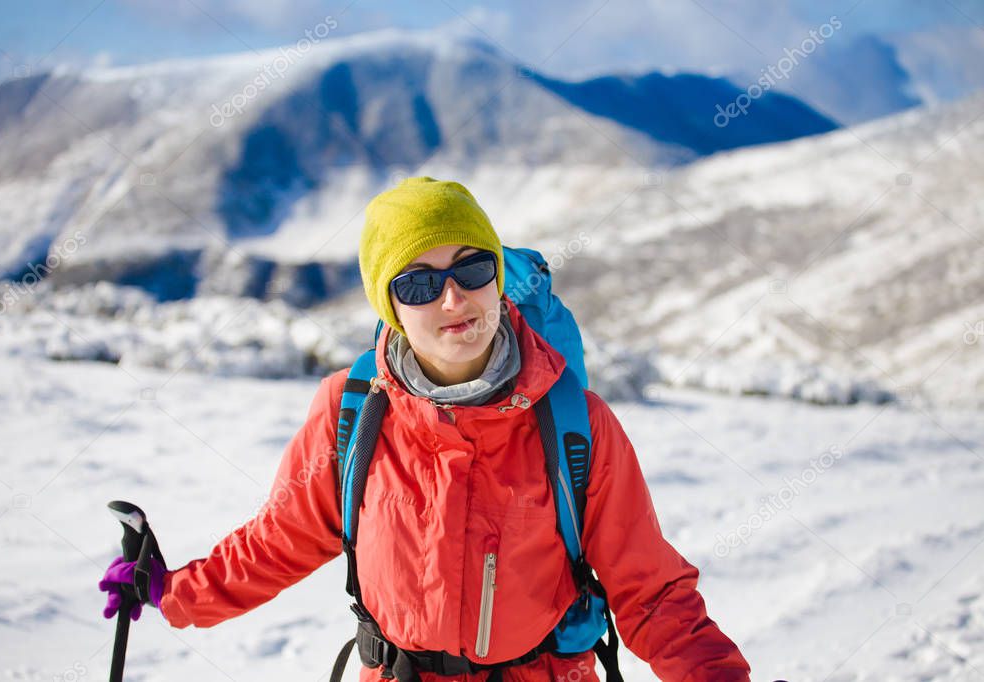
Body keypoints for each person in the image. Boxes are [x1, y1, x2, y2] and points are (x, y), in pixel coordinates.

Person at [99, 177, 751, 680]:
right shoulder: (351, 413)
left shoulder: (576, 424)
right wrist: (172, 591)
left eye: (471, 269)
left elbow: (652, 595)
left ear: (496, 275)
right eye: (417, 282)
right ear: (389, 306)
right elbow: (281, 541)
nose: (452, 299)